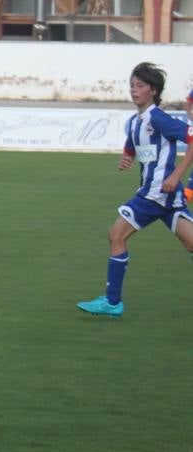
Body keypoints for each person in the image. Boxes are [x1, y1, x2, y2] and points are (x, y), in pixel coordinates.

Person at [77, 62, 193, 317]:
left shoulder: (160, 118)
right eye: (131, 85)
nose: (133, 90)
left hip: (155, 193)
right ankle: (112, 301)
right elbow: (132, 145)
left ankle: (112, 302)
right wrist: (126, 157)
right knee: (190, 243)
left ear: (153, 90)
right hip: (165, 195)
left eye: (139, 86)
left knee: (116, 234)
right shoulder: (135, 121)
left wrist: (176, 174)